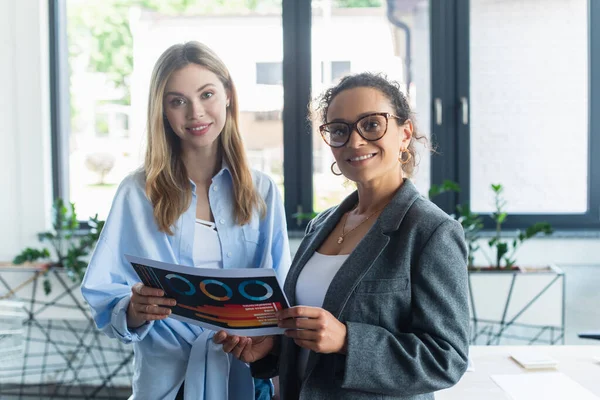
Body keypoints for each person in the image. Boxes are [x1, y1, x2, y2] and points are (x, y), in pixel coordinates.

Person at [215, 72, 470, 399]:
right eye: (339, 130)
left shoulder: (431, 230)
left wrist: (348, 341)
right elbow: (312, 342)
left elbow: (447, 358)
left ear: (404, 134)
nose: (355, 141)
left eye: (372, 124)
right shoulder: (321, 225)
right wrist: (273, 348)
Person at [81, 41, 290, 400]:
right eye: (177, 101)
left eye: (206, 94)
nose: (196, 112)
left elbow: (282, 288)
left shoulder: (261, 190)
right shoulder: (136, 193)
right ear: (162, 111)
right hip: (166, 383)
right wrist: (133, 309)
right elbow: (104, 293)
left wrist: (266, 336)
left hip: (242, 376)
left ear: (227, 95)